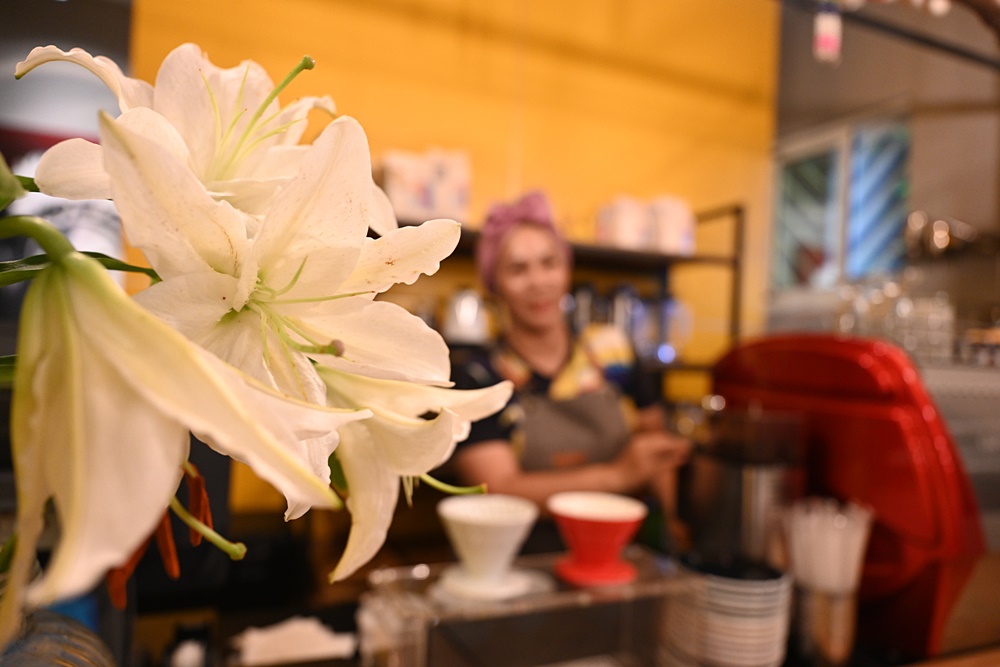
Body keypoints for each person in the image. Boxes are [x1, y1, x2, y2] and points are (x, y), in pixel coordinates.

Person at [448, 190, 692, 553]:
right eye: (518, 269)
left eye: (549, 263)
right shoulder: (478, 377)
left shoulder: (613, 350)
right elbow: (498, 488)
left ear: (566, 268)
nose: (538, 282)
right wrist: (618, 476)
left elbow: (655, 449)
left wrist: (670, 522)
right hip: (523, 558)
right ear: (494, 285)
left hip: (621, 547)